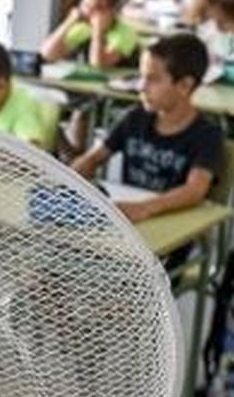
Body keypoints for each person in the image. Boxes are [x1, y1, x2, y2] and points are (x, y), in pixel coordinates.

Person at [71, 33, 223, 244]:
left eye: (153, 79)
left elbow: (195, 190)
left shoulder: (207, 134)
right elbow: (94, 158)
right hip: (128, 227)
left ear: (185, 86)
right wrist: (64, 181)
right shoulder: (135, 117)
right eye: (141, 76)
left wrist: (146, 208)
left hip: (172, 232)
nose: (141, 86)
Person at [40, 0, 140, 71]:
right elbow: (47, 54)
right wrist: (69, 22)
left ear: (113, 11)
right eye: (85, 5)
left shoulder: (125, 33)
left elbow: (98, 66)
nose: (87, 11)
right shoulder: (83, 28)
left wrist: (98, 31)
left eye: (96, 7)